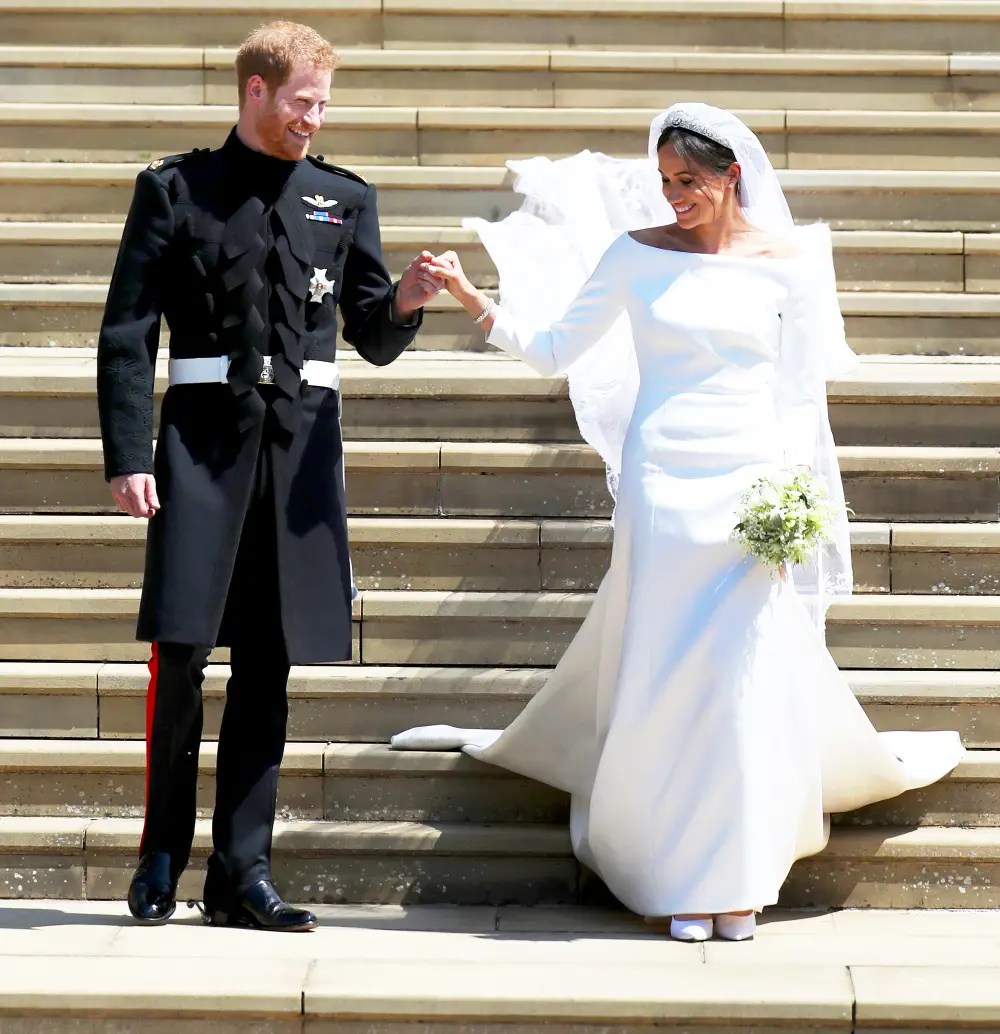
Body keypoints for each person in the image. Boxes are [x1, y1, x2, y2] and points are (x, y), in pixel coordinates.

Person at [392, 103, 965, 942]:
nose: (672, 197)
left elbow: (802, 392)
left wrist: (793, 500)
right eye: (663, 182)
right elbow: (555, 350)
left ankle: (737, 875)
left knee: (738, 685)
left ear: (733, 174)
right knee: (667, 678)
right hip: (663, 480)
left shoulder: (794, 263)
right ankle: (672, 874)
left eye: (688, 181)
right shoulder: (634, 256)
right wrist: (472, 297)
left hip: (751, 488)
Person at [97, 20, 442, 931]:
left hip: (299, 460)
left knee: (270, 662)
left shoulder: (343, 198)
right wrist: (131, 456)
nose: (313, 120)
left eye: (323, 104)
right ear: (255, 91)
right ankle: (161, 851)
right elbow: (127, 335)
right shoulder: (176, 190)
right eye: (301, 102)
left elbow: (369, 333)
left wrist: (404, 301)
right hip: (199, 451)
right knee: (180, 655)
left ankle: (241, 872)